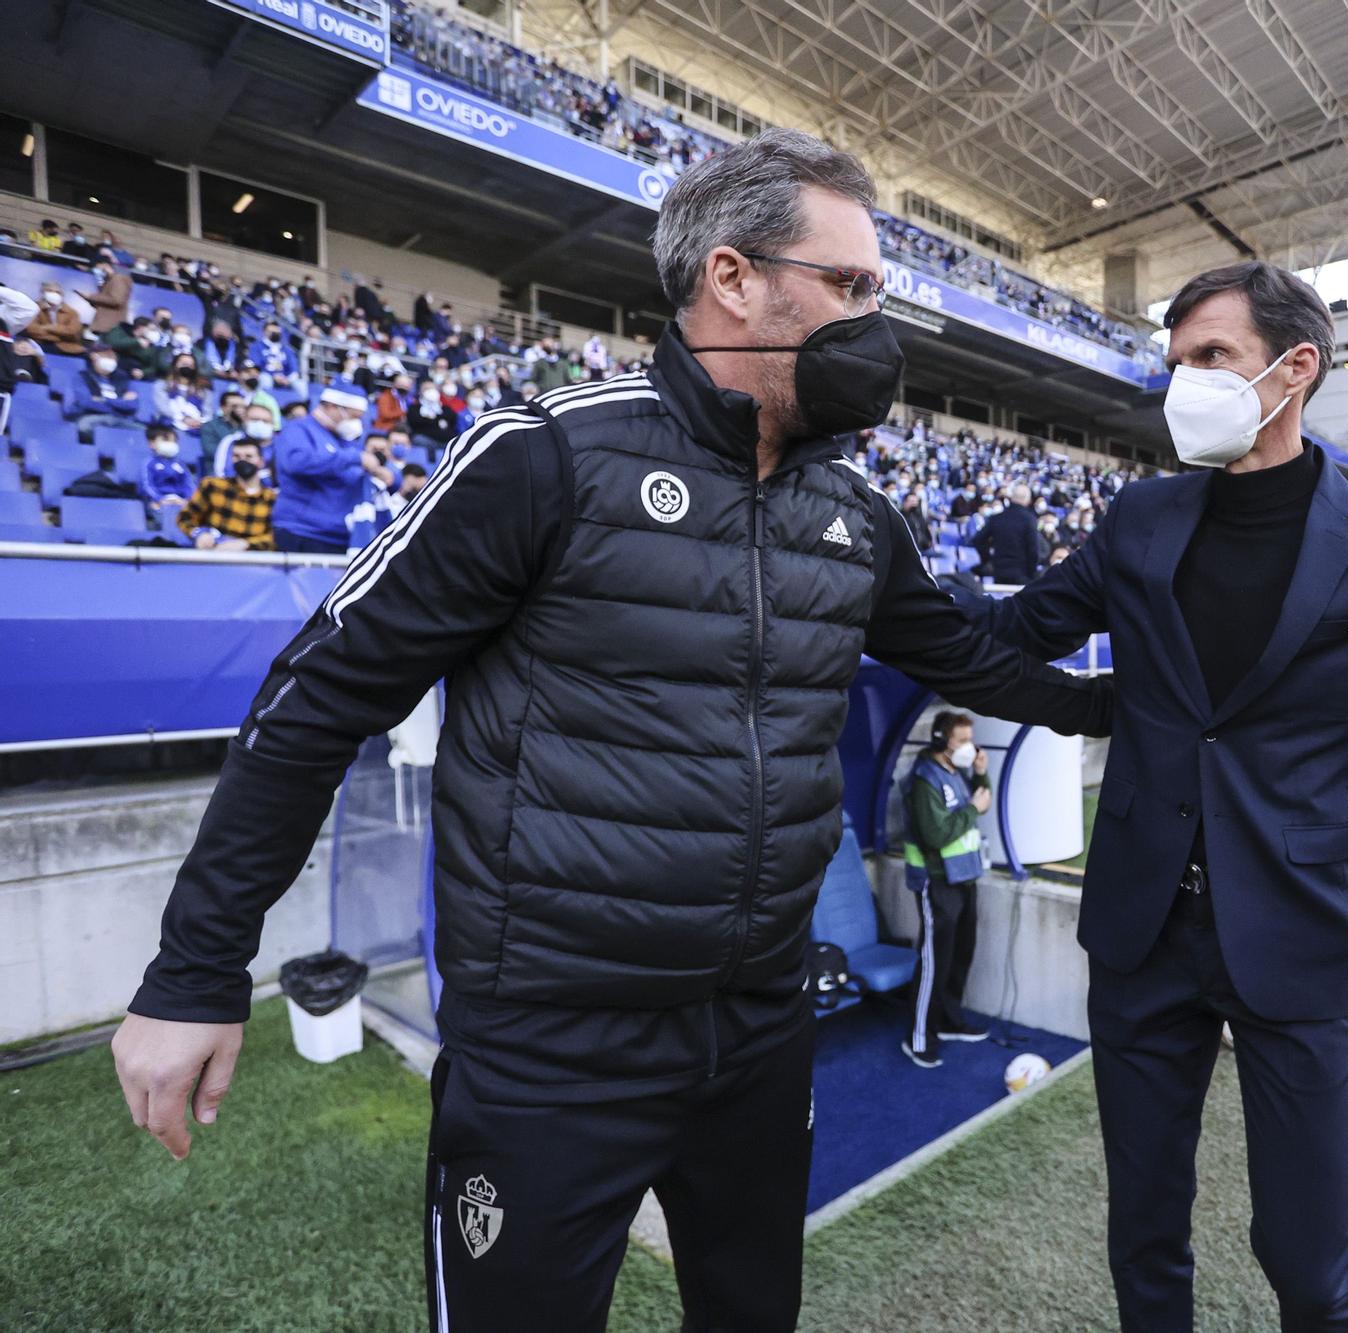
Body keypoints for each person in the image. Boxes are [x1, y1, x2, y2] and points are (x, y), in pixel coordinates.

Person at [110, 128, 1112, 1333]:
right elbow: (318, 694)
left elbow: (976, 658)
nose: (871, 322)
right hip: (548, 1046)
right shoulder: (544, 455)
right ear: (731, 278)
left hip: (756, 1027)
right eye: (846, 287)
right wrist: (194, 972)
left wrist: (1152, 705)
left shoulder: (854, 509)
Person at [952, 259, 1348, 1331]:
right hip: (1139, 927)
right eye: (1174, 363)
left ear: (1292, 369)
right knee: (1142, 1233)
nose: (1181, 384)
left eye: (1210, 358)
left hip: (1302, 933)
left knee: (1306, 1259)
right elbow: (1002, 640)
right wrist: (863, 571)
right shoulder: (1139, 518)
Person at [899, 711, 993, 1068]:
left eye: (971, 739)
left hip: (965, 877)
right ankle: (919, 1036)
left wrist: (981, 771)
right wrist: (972, 808)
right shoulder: (924, 780)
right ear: (941, 741)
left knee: (960, 954)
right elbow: (936, 834)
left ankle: (950, 1021)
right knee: (934, 960)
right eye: (962, 740)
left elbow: (980, 801)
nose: (969, 746)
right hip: (937, 881)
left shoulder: (955, 772)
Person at [266, 380, 383, 554]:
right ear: (331, 406)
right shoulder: (299, 429)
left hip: (339, 534)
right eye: (353, 416)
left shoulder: (345, 441)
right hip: (302, 531)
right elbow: (296, 463)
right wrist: (353, 457)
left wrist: (385, 474)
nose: (357, 424)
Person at [179, 438, 277, 550]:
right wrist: (199, 534)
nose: (242, 460)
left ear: (261, 462)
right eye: (237, 456)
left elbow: (275, 537)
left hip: (251, 560)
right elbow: (185, 518)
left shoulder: (271, 498)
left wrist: (245, 544)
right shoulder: (212, 486)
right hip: (212, 555)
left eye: (248, 456)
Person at [971, 481, 1039, 583]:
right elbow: (1033, 550)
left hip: (998, 570)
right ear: (1027, 499)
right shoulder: (1030, 520)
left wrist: (987, 558)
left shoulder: (997, 518)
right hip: (1022, 573)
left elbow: (978, 540)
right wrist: (1032, 574)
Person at [137, 422, 196, 520]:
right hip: (157, 502)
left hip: (179, 501)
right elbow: (146, 486)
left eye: (174, 441)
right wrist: (160, 499)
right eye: (165, 440)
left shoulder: (180, 464)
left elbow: (189, 485)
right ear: (152, 443)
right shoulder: (149, 463)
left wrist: (186, 500)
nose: (171, 444)